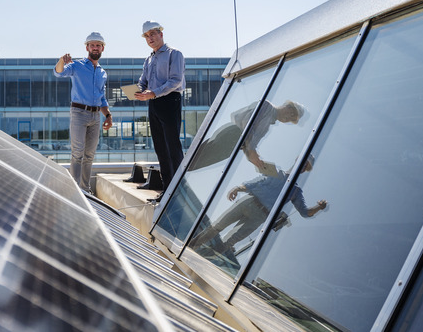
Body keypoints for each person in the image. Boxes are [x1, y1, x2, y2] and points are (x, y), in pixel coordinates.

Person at [189, 155, 328, 257]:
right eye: (303, 162)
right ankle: (190, 248)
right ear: (297, 159)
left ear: (305, 170)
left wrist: (319, 207)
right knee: (217, 226)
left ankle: (204, 259)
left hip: (260, 216)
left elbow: (305, 212)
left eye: (306, 166)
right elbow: (256, 182)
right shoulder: (276, 171)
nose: (303, 166)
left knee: (229, 241)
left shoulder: (296, 191)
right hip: (248, 201)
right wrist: (238, 188)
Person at [54, 32, 113, 193]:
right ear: (87, 47)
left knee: (89, 155)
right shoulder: (77, 66)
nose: (95, 47)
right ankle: (75, 191)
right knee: (77, 152)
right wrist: (61, 60)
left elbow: (101, 98)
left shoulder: (102, 73)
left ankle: (85, 189)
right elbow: (59, 72)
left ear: (102, 48)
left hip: (95, 116)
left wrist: (107, 115)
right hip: (79, 113)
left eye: (98, 45)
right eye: (92, 45)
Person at [134, 21, 186, 202]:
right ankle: (167, 190)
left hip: (169, 101)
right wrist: (138, 89)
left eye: (153, 34)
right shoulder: (149, 59)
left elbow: (176, 81)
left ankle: (180, 189)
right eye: (147, 36)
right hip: (153, 103)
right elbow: (143, 81)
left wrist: (153, 92)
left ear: (161, 34)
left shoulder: (174, 54)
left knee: (172, 146)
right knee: (160, 148)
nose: (150, 38)